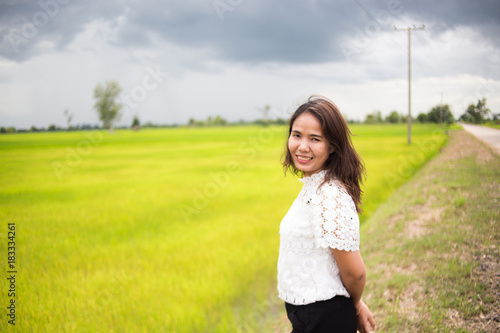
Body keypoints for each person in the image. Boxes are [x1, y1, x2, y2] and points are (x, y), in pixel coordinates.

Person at [277, 95, 376, 333]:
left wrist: (355, 305)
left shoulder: (330, 196)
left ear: (332, 146)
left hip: (324, 319)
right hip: (309, 317)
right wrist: (357, 305)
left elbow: (355, 272)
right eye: (297, 135)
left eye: (315, 139)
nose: (302, 146)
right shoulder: (315, 186)